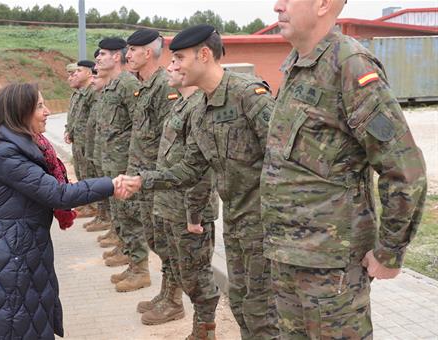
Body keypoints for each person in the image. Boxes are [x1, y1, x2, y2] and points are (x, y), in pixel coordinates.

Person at [259, 0, 428, 338]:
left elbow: (405, 169)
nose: (277, 6)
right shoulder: (297, 64)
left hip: (330, 269)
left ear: (323, 4)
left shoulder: (349, 66)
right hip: (288, 257)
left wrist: (389, 252)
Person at [121, 25, 278, 339]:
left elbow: (285, 158)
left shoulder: (248, 95)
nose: (173, 65)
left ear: (204, 54)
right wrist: (143, 180)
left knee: (264, 312)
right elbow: (189, 169)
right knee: (243, 306)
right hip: (237, 225)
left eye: (179, 58)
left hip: (266, 225)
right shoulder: (202, 110)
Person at [0, 83, 128, 339]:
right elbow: (58, 194)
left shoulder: (23, 147)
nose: (47, 111)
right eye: (39, 106)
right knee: (9, 323)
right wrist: (110, 185)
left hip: (17, 248)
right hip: (5, 254)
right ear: (19, 112)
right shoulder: (7, 155)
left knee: (27, 320)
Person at [140, 60, 221, 331]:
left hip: (189, 208)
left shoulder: (199, 106)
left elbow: (201, 168)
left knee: (197, 275)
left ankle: (204, 330)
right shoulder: (181, 104)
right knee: (177, 265)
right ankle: (174, 302)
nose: (170, 69)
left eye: (176, 63)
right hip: (170, 202)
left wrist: (193, 213)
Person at [110, 28, 179, 294]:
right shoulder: (144, 87)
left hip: (157, 180)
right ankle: (165, 294)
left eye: (132, 50)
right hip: (143, 178)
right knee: (154, 239)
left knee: (164, 242)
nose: (128, 55)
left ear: (148, 53)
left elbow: (169, 139)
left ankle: (172, 299)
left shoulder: (164, 86)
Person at [94, 37, 142, 268]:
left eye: (103, 54)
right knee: (119, 211)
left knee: (129, 212)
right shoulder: (110, 86)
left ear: (116, 57)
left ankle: (138, 266)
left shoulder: (127, 84)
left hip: (124, 163)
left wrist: (133, 164)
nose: (98, 58)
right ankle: (126, 249)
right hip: (112, 161)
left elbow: (139, 124)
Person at [64, 60, 103, 219]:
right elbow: (75, 116)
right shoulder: (79, 93)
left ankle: (93, 206)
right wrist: (69, 130)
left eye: (78, 71)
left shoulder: (92, 92)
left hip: (88, 141)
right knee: (81, 172)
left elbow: (93, 119)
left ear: (88, 73)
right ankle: (87, 204)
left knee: (90, 173)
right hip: (79, 140)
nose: (72, 76)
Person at [83, 62, 114, 233]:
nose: (92, 80)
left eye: (96, 76)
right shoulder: (101, 96)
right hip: (100, 151)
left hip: (114, 155)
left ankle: (120, 236)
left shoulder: (123, 88)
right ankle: (104, 218)